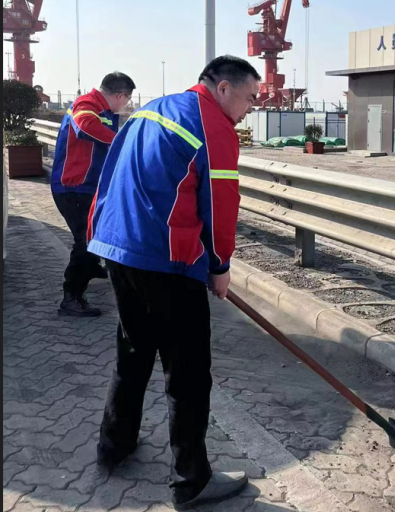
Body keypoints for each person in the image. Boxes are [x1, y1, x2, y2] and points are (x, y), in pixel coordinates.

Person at [88, 55, 260, 510]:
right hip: (166, 261)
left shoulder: (149, 110)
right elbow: (221, 203)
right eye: (249, 98)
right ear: (223, 88)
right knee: (187, 374)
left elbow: (108, 176)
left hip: (119, 248)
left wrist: (99, 237)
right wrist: (219, 266)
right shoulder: (213, 125)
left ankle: (114, 445)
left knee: (133, 351)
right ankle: (191, 481)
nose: (250, 109)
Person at [51, 72, 136, 317]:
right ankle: (71, 297)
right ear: (120, 95)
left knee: (98, 234)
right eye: (127, 100)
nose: (126, 105)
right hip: (74, 187)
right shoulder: (87, 104)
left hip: (88, 187)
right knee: (86, 242)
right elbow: (85, 126)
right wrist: (122, 143)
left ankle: (92, 265)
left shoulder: (104, 110)